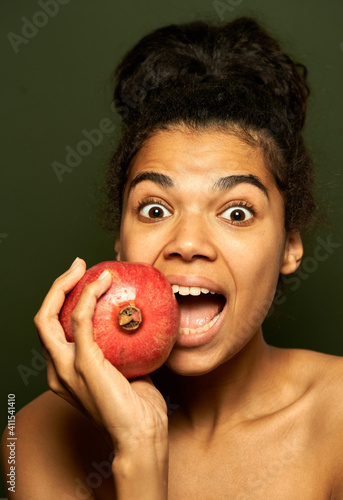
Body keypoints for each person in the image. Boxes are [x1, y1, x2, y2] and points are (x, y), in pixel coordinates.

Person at [2, 16, 343, 500]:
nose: (187, 242)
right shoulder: (34, 438)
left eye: (238, 211)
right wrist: (139, 446)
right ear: (120, 244)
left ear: (290, 245)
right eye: (155, 208)